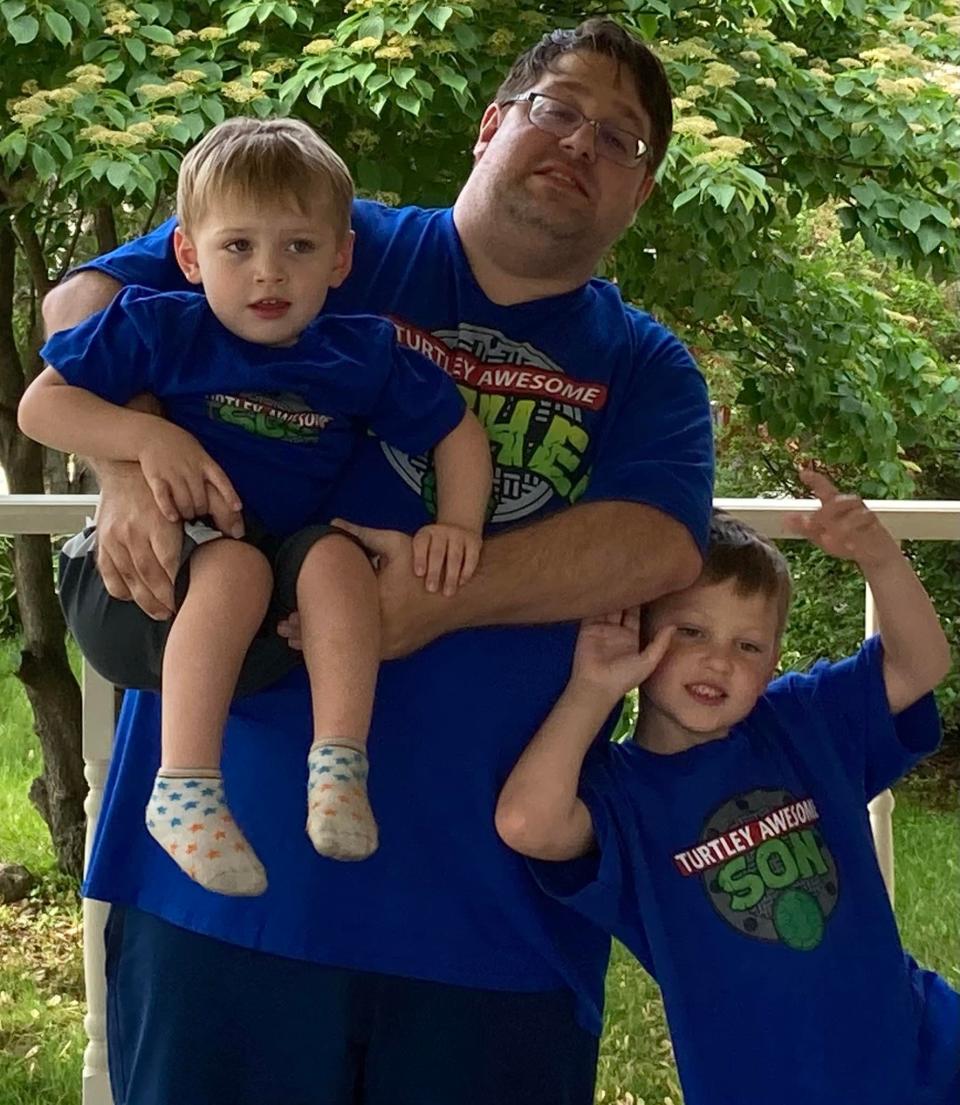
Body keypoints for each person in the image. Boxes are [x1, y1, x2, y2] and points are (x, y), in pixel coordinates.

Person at [42, 18, 714, 1105]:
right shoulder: (327, 235)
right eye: (557, 110)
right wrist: (132, 454)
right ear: (491, 126)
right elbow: (84, 302)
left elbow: (658, 540)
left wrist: (431, 606)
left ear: (639, 193)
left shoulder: (646, 367)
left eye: (622, 139)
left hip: (494, 922)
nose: (581, 144)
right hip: (228, 886)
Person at [20, 117, 492, 894]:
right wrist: (143, 441)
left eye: (298, 248)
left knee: (339, 559)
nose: (268, 274)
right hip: (153, 564)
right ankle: (185, 788)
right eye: (238, 247)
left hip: (278, 547)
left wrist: (459, 524)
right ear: (188, 255)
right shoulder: (159, 325)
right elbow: (42, 408)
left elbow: (458, 434)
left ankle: (339, 766)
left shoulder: (359, 349)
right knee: (235, 567)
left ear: (340, 258)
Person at [496, 469, 960, 1105]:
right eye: (691, 632)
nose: (720, 661)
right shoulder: (621, 794)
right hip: (763, 1082)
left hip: (922, 1051)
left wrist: (879, 556)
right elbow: (527, 824)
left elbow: (922, 663)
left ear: (773, 661)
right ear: (639, 630)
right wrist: (591, 687)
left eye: (748, 644)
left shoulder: (801, 721)